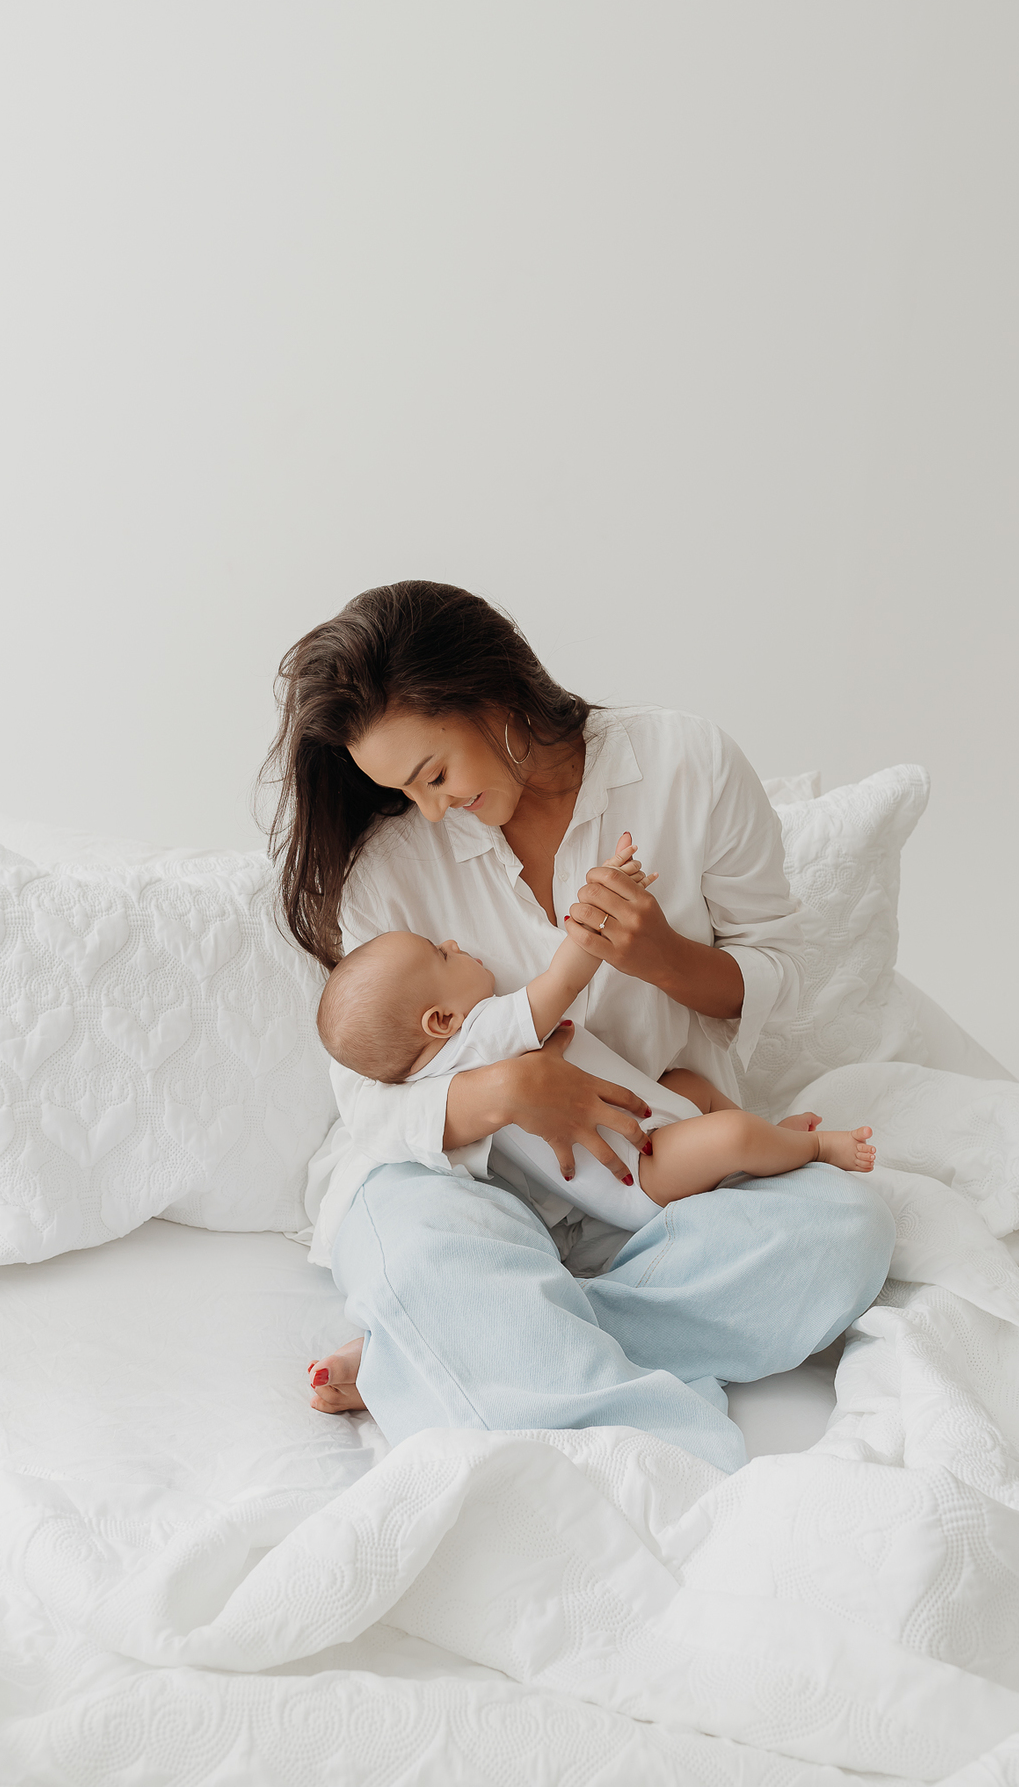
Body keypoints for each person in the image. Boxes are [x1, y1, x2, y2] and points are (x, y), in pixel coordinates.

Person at [265, 580, 895, 1474]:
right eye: (403, 790)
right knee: (410, 1243)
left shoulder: (686, 764)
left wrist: (659, 955)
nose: (430, 809)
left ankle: (452, 1339)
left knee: (846, 1231)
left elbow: (781, 973)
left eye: (434, 775)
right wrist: (508, 1090)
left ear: (489, 694)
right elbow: (372, 1101)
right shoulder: (390, 864)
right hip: (466, 1186)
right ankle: (655, 1456)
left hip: (654, 1178)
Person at [312, 835, 877, 1226]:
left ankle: (768, 1143)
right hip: (644, 1171)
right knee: (731, 1135)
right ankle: (813, 1148)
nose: (454, 943)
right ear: (440, 1020)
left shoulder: (434, 1069)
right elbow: (562, 981)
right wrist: (601, 905)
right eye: (440, 954)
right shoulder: (476, 1038)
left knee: (689, 1085)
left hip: (648, 1131)